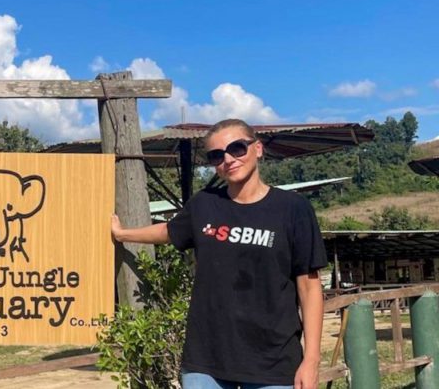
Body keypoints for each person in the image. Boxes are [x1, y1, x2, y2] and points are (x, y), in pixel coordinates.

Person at [110, 118, 326, 389]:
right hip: (206, 358)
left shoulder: (293, 209)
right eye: (216, 155)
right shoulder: (205, 204)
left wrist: (312, 359)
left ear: (257, 149)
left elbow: (309, 287)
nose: (228, 159)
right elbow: (170, 231)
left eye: (237, 148)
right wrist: (123, 234)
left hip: (273, 360)